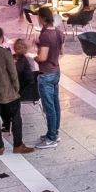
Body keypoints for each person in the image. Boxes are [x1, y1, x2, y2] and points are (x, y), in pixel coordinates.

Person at [33, 8, 64, 148]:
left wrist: (36, 57)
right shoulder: (59, 32)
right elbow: (61, 51)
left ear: (42, 18)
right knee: (55, 104)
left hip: (46, 73)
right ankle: (54, 133)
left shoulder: (45, 35)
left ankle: (51, 138)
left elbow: (43, 57)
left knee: (49, 107)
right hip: (56, 71)